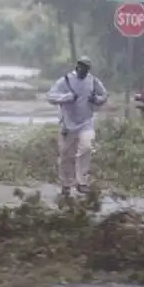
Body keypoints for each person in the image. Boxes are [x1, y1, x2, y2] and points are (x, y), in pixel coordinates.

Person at [45, 56, 108, 196]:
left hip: (86, 122)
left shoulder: (93, 81)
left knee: (86, 147)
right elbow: (50, 96)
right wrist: (66, 97)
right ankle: (66, 183)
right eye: (82, 68)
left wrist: (96, 99)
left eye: (87, 69)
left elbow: (104, 95)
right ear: (77, 67)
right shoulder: (65, 80)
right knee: (67, 155)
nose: (84, 71)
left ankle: (82, 182)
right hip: (67, 124)